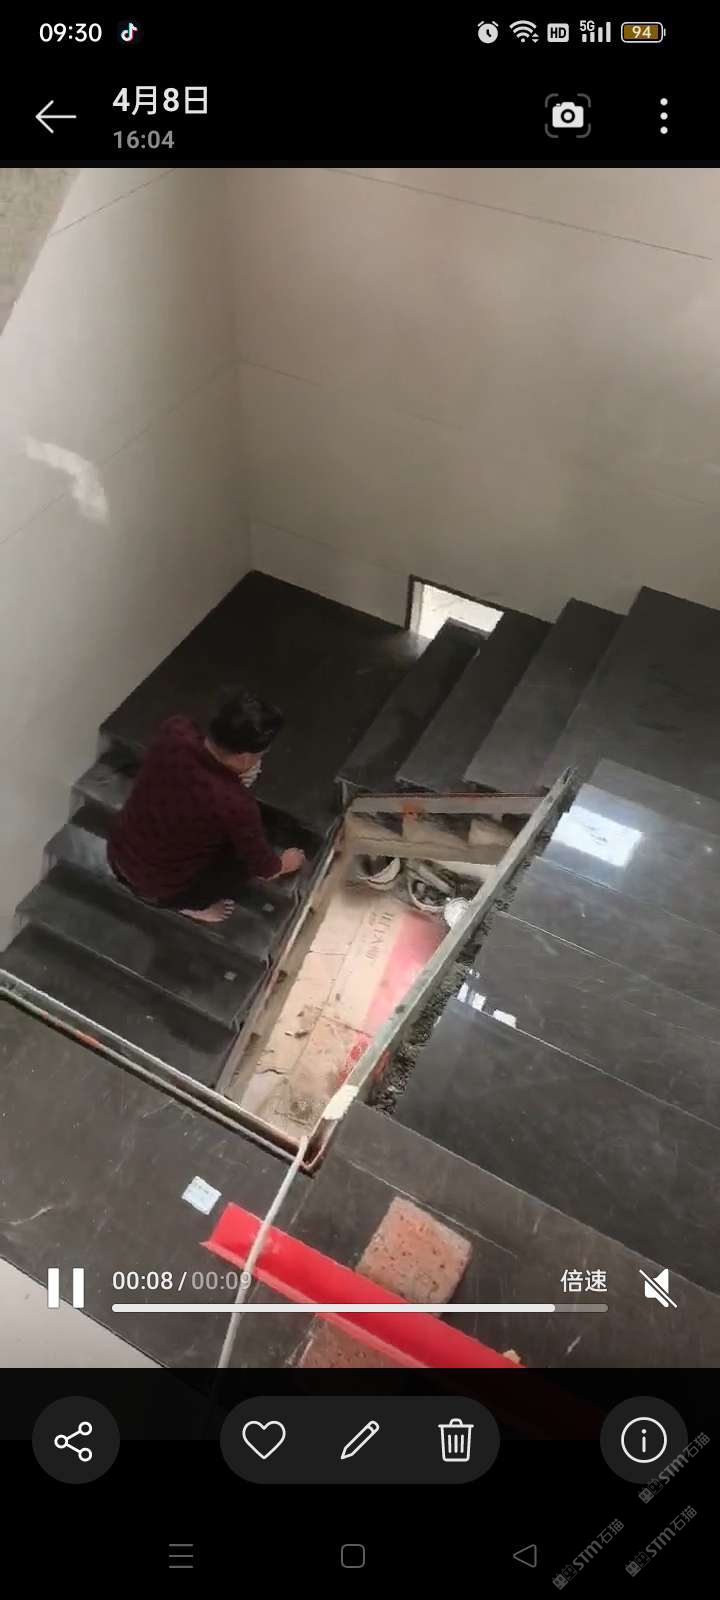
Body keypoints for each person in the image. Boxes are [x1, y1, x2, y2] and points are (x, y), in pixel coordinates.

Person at [108, 689, 305, 923]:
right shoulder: (236, 805)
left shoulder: (175, 730)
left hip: (119, 855)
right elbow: (264, 868)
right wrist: (285, 863)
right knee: (239, 861)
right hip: (161, 889)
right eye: (261, 754)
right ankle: (188, 906)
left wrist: (227, 779)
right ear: (244, 757)